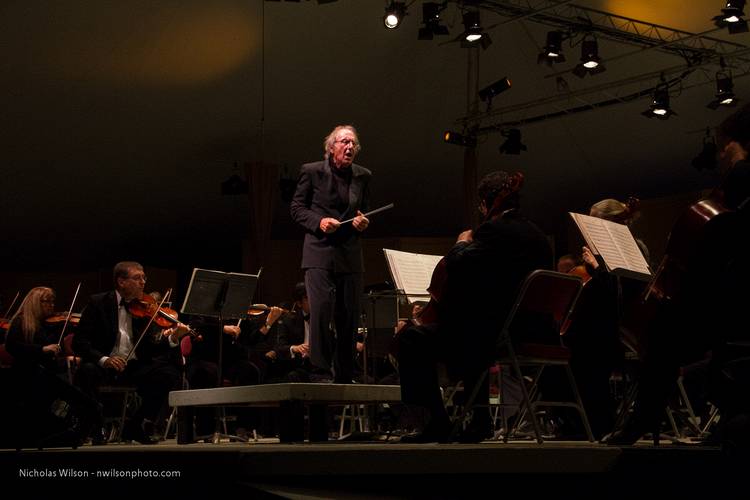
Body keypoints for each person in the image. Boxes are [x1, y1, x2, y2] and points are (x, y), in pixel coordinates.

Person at [605, 104, 750, 448]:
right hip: (740, 301)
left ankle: (641, 422)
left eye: (722, 146)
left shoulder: (740, 177)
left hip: (730, 303)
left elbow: (715, 247)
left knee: (662, 339)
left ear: (734, 144)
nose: (719, 155)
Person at [396, 170, 553, 443]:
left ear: (485, 202)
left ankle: (437, 423)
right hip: (535, 330)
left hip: (498, 335)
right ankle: (478, 420)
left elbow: (460, 266)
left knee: (411, 339)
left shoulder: (493, 230)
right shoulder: (539, 236)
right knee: (469, 330)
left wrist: (460, 243)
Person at [73, 261, 190, 444]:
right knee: (86, 371)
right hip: (104, 366)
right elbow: (79, 342)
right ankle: (97, 427)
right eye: (137, 278)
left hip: (134, 366)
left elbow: (152, 346)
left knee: (169, 374)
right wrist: (105, 359)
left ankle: (134, 426)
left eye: (144, 278)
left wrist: (173, 338)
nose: (143, 282)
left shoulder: (144, 307)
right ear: (121, 281)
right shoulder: (98, 303)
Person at [290, 124, 371, 384]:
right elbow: (297, 208)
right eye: (344, 142)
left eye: (353, 144)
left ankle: (346, 371)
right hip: (319, 252)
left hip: (349, 253)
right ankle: (320, 370)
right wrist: (319, 222)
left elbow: (363, 211)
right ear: (331, 147)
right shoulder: (311, 171)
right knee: (322, 310)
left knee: (349, 313)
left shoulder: (363, 175)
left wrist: (362, 222)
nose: (349, 147)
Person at [4, 287, 98, 447]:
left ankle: (75, 433)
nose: (52, 305)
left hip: (44, 375)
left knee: (85, 401)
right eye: (48, 301)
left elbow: (53, 349)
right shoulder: (21, 321)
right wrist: (42, 349)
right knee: (80, 402)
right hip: (28, 375)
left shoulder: (44, 324)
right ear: (35, 302)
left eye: (53, 301)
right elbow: (12, 346)